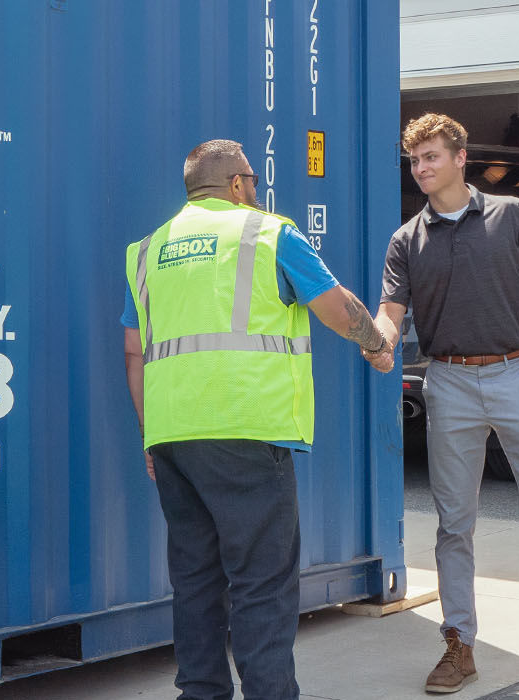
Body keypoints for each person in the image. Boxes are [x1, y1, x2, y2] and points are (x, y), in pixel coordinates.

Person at [120, 139, 391, 700]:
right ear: (239, 184)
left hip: (173, 436)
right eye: (254, 182)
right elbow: (335, 304)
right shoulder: (267, 233)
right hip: (245, 427)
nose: (258, 193)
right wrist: (377, 343)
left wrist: (150, 435)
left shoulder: (146, 251)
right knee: (261, 584)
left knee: (195, 581)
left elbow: (133, 350)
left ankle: (201, 694)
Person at [369, 114, 519, 696]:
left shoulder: (509, 215)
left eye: (431, 157)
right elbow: (391, 312)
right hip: (449, 382)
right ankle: (459, 645)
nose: (421, 169)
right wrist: (382, 344)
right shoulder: (405, 240)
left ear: (461, 158)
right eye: (415, 161)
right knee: (453, 525)